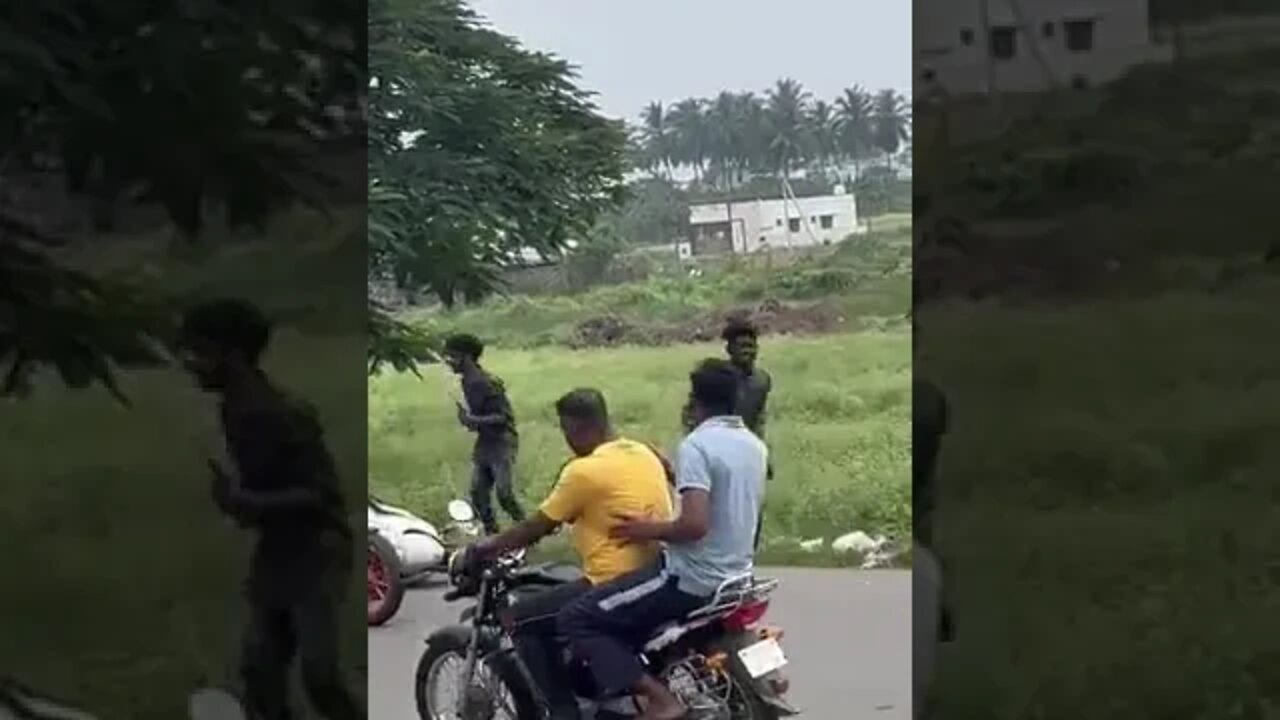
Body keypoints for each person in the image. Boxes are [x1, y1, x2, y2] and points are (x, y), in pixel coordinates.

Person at [177, 298, 362, 720]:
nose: (190, 363)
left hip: (318, 549)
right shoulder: (236, 409)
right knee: (261, 672)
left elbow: (322, 495)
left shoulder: (280, 413)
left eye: (201, 352)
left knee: (319, 675)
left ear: (235, 354)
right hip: (279, 550)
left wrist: (248, 503)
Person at [558, 359, 767, 720]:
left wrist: (645, 529)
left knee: (577, 618)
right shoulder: (753, 445)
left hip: (689, 578)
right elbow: (728, 506)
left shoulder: (697, 445)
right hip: (736, 576)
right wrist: (673, 471)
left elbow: (694, 525)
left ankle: (660, 700)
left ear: (694, 401)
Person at [461, 388, 674, 720]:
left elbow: (537, 527)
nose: (567, 440)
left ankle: (563, 710)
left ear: (579, 428)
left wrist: (484, 547)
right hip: (651, 571)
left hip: (610, 580)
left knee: (521, 619)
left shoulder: (583, 471)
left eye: (566, 431)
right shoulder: (643, 451)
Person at [442, 333, 525, 534]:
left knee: (504, 494)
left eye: (452, 356)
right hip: (486, 441)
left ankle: (527, 531)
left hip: (502, 441)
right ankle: (492, 535)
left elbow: (504, 418)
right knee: (478, 494)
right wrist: (471, 421)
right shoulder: (466, 382)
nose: (448, 362)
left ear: (467, 357)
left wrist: (474, 421)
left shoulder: (486, 382)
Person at [722, 317, 773, 548]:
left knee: (753, 509)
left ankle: (747, 561)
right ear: (729, 349)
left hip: (749, 450)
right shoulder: (718, 379)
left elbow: (760, 418)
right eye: (741, 347)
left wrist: (764, 453)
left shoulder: (762, 380)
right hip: (721, 451)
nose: (747, 352)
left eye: (751, 346)